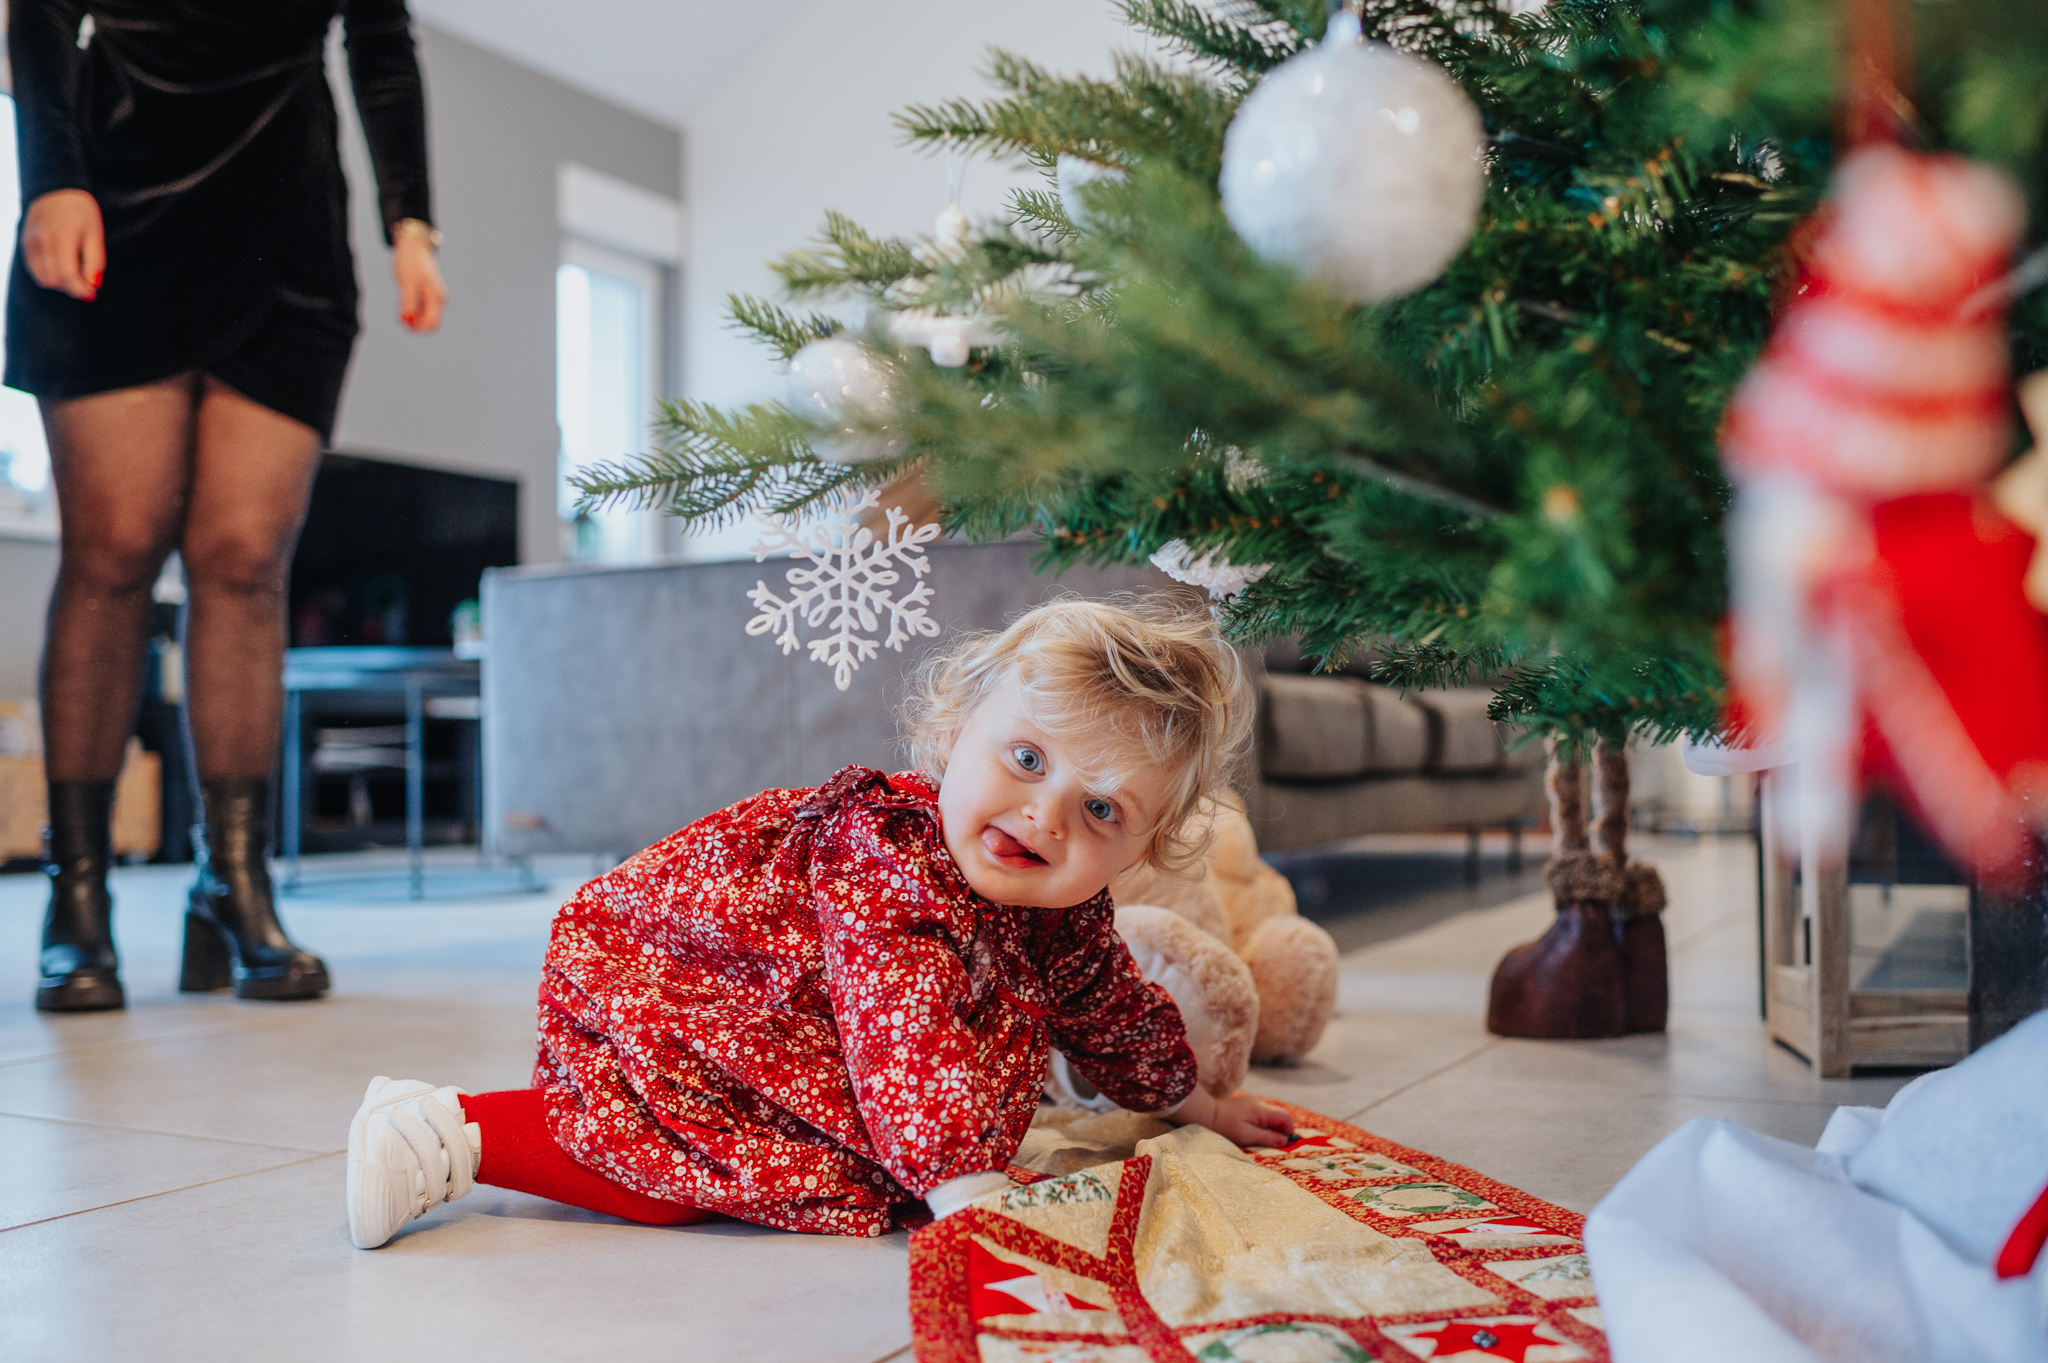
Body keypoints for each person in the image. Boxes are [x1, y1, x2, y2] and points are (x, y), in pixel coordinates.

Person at [346, 599, 1296, 1247]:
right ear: (956, 727)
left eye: (1102, 811)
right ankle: (447, 1131)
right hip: (689, 977)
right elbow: (906, 1025)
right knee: (677, 1175)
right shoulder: (892, 852)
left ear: (1139, 851)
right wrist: (962, 1184)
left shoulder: (1068, 904)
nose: (1046, 815)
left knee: (807, 1159)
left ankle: (450, 1123)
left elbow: (1108, 1005)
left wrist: (1194, 1102)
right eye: (1026, 756)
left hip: (797, 1021)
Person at [10, 1, 446, 1012]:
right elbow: (36, 12)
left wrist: (410, 224)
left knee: (247, 561)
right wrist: (52, 179)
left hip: (284, 225)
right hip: (115, 195)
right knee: (113, 551)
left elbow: (380, 44)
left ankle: (231, 885)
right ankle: (77, 901)